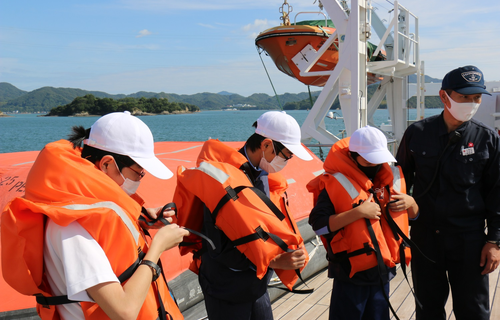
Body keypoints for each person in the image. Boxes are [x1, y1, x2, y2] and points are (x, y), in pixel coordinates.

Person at [2, 111, 189, 320]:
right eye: (138, 172)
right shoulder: (71, 227)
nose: (140, 179)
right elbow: (123, 312)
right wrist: (158, 248)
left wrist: (144, 216)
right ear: (107, 163)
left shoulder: (79, 207)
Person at [173, 111, 313, 320]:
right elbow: (217, 247)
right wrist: (273, 261)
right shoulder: (223, 181)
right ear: (266, 145)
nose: (288, 160)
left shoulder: (263, 175)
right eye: (287, 154)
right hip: (226, 288)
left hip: (255, 285)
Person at [396, 65, 500, 319]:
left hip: (469, 240)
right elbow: (398, 182)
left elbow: (497, 194)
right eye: (465, 97)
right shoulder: (416, 134)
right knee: (428, 309)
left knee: (473, 310)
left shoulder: (487, 139)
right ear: (444, 97)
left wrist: (494, 241)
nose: (472, 104)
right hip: (425, 239)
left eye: (476, 98)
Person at [308, 125, 418, 320]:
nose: (374, 165)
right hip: (351, 275)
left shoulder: (388, 180)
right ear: (353, 156)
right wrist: (357, 213)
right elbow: (318, 225)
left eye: (378, 159)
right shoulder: (334, 184)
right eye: (369, 160)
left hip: (383, 273)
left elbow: (415, 217)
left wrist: (412, 203)